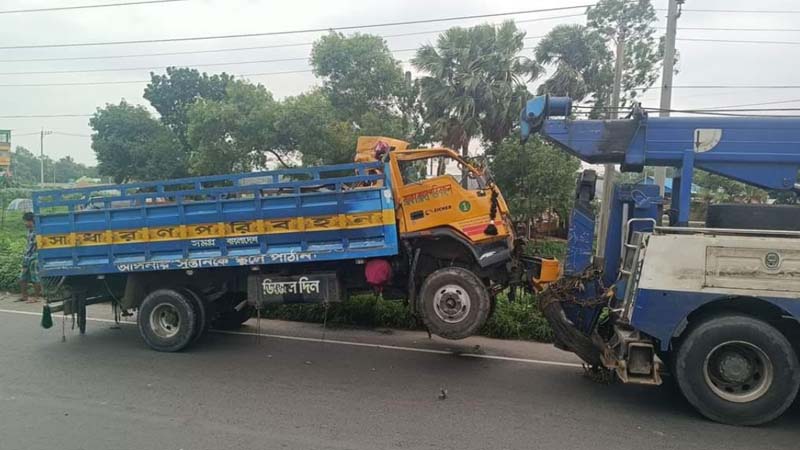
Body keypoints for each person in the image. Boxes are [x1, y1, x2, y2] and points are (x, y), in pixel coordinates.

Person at [19, 212, 42, 303]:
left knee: (35, 278)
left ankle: (36, 297)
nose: (25, 223)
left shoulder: (38, 231)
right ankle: (24, 296)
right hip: (27, 257)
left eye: (26, 221)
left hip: (35, 257)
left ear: (31, 221)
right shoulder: (29, 231)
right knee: (22, 278)